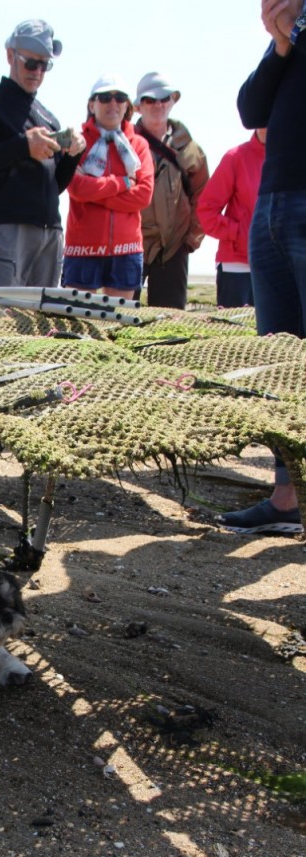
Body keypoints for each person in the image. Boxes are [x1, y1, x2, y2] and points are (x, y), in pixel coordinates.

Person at [217, 0, 305, 535]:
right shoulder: (291, 42)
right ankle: (286, 495)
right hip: (272, 205)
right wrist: (280, 44)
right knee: (280, 361)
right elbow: (251, 109)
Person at [0, 19, 84, 288]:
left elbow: (55, 185)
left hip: (51, 234)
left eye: (44, 65)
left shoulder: (49, 118)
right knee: (4, 315)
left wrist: (73, 155)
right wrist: (22, 147)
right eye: (31, 63)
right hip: (8, 230)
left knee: (44, 325)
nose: (37, 71)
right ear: (10, 55)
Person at [62, 74, 154, 299]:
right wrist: (122, 183)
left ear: (127, 106)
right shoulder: (77, 141)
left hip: (127, 250)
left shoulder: (139, 144)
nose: (112, 103)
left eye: (119, 98)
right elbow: (75, 188)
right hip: (82, 248)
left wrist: (93, 192)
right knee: (78, 322)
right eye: (104, 98)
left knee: (119, 323)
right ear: (92, 105)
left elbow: (143, 195)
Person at [133, 72, 209, 309]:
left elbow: (203, 197)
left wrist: (189, 241)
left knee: (167, 322)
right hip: (131, 247)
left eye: (164, 98)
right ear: (137, 106)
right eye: (149, 100)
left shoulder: (190, 150)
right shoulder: (124, 143)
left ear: (173, 100)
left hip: (173, 249)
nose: (158, 105)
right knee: (117, 316)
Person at [197, 129, 267, 308]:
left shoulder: (294, 159)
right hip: (237, 269)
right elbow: (207, 212)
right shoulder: (235, 158)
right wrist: (241, 234)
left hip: (284, 269)